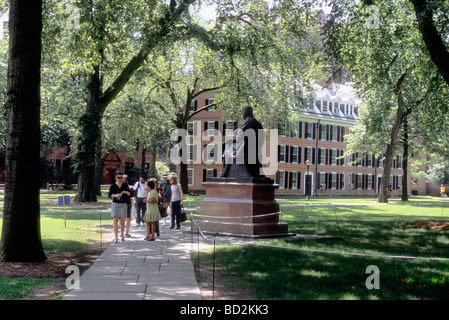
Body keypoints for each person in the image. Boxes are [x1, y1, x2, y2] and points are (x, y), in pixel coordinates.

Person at [108, 171, 132, 243]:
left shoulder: (125, 185)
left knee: (122, 221)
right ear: (116, 178)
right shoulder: (113, 186)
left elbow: (129, 193)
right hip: (115, 204)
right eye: (118, 177)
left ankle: (122, 236)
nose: (120, 179)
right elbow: (109, 195)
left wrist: (126, 192)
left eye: (121, 177)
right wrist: (115, 195)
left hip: (123, 204)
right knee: (115, 220)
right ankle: (116, 237)